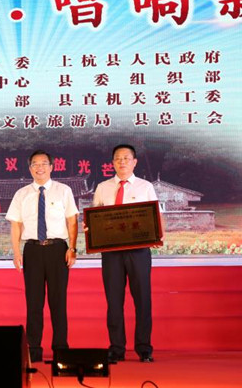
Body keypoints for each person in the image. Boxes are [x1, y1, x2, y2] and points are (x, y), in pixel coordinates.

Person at [6, 150, 78, 363]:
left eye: (44, 163)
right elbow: (16, 225)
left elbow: (72, 221)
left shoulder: (63, 191)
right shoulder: (21, 194)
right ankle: (34, 349)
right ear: (30, 169)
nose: (40, 168)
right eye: (35, 164)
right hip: (33, 250)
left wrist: (73, 248)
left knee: (58, 301)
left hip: (58, 249)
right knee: (34, 302)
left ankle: (61, 349)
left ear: (52, 167)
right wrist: (16, 252)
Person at [92, 144, 159, 363]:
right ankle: (116, 348)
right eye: (118, 159)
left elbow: (154, 215)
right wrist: (91, 228)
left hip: (138, 251)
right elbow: (95, 217)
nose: (122, 162)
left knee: (143, 299)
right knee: (114, 301)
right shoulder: (102, 187)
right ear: (112, 163)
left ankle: (144, 348)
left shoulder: (145, 187)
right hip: (111, 252)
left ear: (134, 162)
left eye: (126, 158)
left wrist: (156, 234)